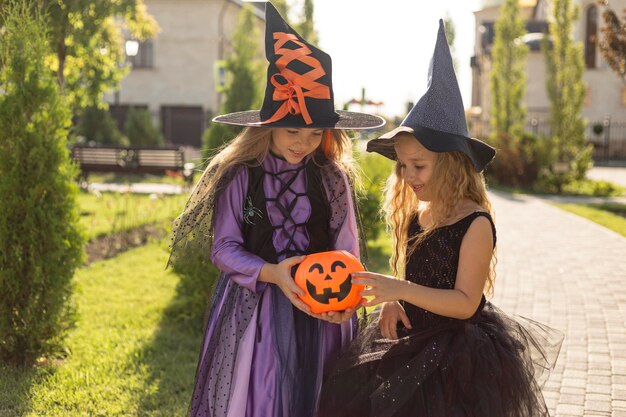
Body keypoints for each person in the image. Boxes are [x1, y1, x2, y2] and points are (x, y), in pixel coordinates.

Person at [318, 19, 563, 417]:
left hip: (457, 354)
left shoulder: (475, 223)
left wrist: (400, 289)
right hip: (411, 338)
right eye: (402, 167)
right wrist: (391, 303)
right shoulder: (418, 215)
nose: (408, 176)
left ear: (451, 165)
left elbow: (465, 303)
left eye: (419, 166)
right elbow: (410, 278)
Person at [168, 3, 384, 417]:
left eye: (315, 132)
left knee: (319, 398)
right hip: (259, 313)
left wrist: (348, 302)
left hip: (324, 314)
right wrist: (273, 274)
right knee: (262, 399)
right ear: (266, 126)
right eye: (292, 130)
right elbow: (224, 248)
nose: (303, 142)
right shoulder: (240, 176)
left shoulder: (331, 178)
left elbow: (348, 249)